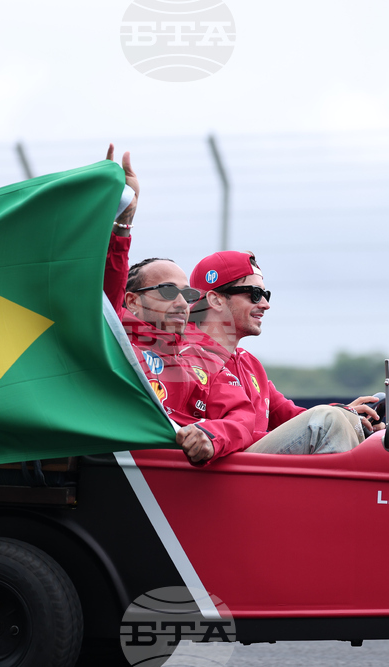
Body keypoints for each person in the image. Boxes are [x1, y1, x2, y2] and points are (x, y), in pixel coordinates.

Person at [105, 145, 255, 465]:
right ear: (131, 301)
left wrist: (212, 436)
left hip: (185, 476)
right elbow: (104, 289)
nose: (181, 303)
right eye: (168, 291)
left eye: (187, 295)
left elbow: (242, 415)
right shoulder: (113, 331)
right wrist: (119, 222)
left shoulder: (204, 353)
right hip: (124, 469)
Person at [188, 250, 385, 455]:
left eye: (266, 294)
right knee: (329, 420)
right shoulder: (182, 358)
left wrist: (347, 414)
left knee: (339, 420)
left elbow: (292, 417)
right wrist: (334, 419)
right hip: (220, 475)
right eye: (255, 294)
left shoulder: (248, 363)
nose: (265, 304)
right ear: (216, 300)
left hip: (247, 470)